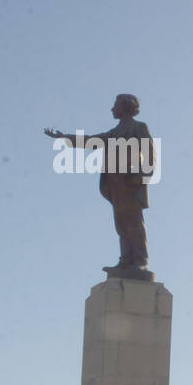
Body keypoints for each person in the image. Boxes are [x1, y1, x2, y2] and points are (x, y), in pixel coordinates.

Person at [45, 94, 157, 274]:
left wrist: (141, 176)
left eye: (115, 105)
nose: (112, 109)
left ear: (125, 107)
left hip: (131, 181)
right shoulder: (113, 133)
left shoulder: (139, 127)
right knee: (121, 224)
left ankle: (140, 261)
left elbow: (150, 155)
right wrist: (65, 137)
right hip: (115, 182)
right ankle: (126, 260)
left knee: (134, 223)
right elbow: (91, 141)